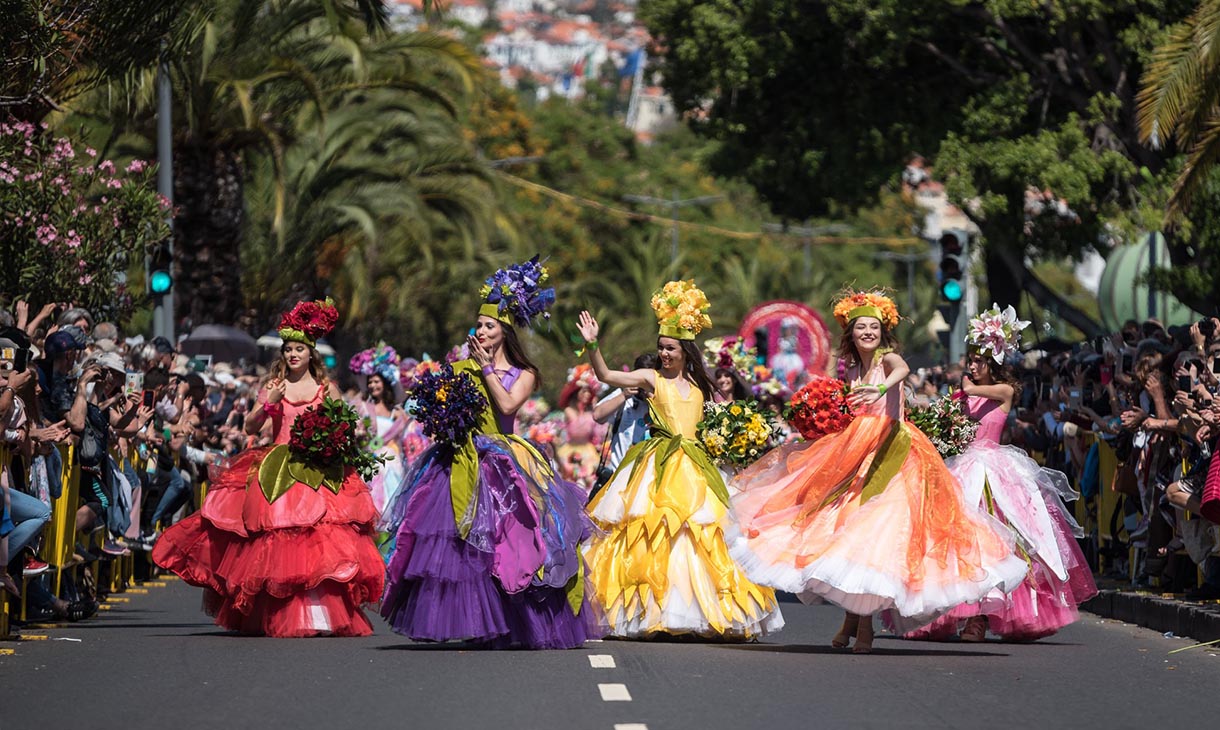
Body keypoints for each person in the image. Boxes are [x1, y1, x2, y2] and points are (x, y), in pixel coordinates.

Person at [729, 289, 1025, 653]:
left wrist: (880, 388)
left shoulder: (887, 360)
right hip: (855, 450)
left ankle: (862, 626)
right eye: (860, 327)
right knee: (844, 529)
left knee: (875, 534)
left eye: (873, 326)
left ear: (882, 332)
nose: (867, 332)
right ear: (851, 333)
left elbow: (901, 370)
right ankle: (852, 620)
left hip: (893, 451)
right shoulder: (852, 368)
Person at [380, 257, 601, 648]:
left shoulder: (524, 372)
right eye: (479, 325)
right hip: (460, 455)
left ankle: (512, 620)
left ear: (505, 333)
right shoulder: (461, 365)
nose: (480, 332)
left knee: (508, 540)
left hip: (502, 457)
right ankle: (468, 619)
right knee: (457, 542)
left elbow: (508, 407)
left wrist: (485, 371)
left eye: (489, 326)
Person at [153, 299, 384, 637]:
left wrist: (339, 437)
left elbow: (345, 425)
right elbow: (249, 427)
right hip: (279, 466)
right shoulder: (274, 386)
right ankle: (279, 613)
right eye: (288, 349)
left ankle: (319, 614)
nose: (293, 355)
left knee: (318, 539)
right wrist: (267, 405)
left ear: (310, 355)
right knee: (277, 539)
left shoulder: (326, 389)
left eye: (299, 350)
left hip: (318, 468)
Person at [576, 279, 784, 639]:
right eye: (661, 348)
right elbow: (607, 375)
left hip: (697, 464)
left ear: (685, 350)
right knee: (652, 532)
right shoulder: (650, 378)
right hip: (658, 464)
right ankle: (650, 612)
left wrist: (739, 438)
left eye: (670, 348)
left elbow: (718, 423)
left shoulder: (702, 386)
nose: (665, 354)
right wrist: (593, 344)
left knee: (700, 534)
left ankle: (696, 613)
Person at [909, 306, 1099, 641]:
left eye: (978, 361)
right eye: (970, 361)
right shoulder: (963, 395)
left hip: (995, 470)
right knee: (959, 540)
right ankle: (957, 612)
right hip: (964, 468)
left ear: (993, 362)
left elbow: (972, 392)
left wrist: (964, 387)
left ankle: (983, 618)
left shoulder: (1003, 392)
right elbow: (951, 417)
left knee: (1009, 539)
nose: (971, 367)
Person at [593, 353, 657, 476]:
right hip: (618, 473)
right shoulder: (624, 397)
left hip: (646, 476)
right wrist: (624, 395)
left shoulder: (661, 401)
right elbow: (597, 416)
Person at [556, 364, 605, 491]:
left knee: (590, 481)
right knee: (571, 481)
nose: (587, 394)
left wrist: (596, 410)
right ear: (577, 392)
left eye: (590, 391)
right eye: (584, 391)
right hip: (571, 451)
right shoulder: (569, 411)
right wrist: (592, 414)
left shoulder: (591, 411)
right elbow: (578, 429)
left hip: (589, 451)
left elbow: (599, 433)